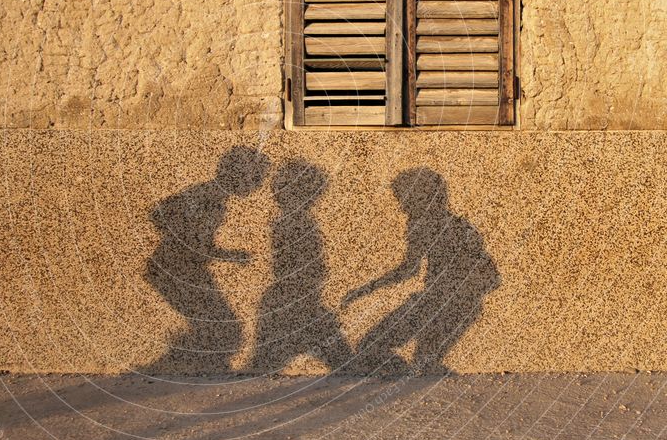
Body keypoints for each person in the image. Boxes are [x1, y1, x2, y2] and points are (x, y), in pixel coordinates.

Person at [343, 168, 499, 374]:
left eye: (402, 198)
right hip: (462, 306)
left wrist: (365, 289)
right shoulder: (459, 224)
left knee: (371, 347)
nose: (401, 206)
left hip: (437, 304)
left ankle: (407, 379)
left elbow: (408, 270)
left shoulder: (423, 224)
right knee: (424, 366)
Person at [145, 146, 270, 372]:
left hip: (184, 268)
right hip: (172, 268)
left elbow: (200, 244)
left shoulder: (215, 198)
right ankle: (177, 366)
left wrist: (226, 254)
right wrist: (180, 241)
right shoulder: (209, 197)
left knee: (217, 325)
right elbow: (157, 213)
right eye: (257, 177)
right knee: (225, 327)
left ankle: (190, 366)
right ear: (239, 175)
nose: (258, 185)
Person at [251, 160, 352, 372]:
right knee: (334, 347)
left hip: (296, 296)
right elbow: (289, 265)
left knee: (268, 354)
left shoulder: (291, 221)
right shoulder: (297, 223)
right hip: (298, 296)